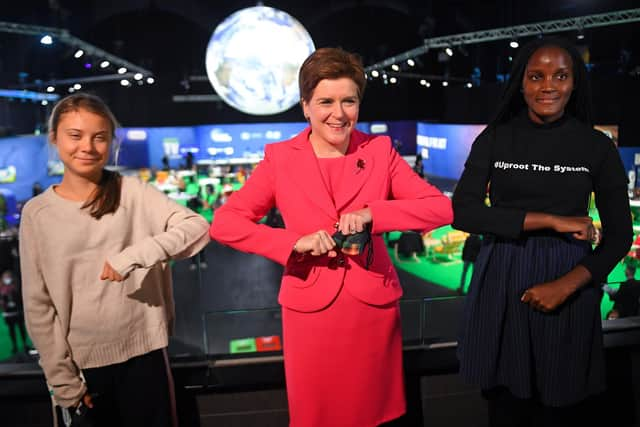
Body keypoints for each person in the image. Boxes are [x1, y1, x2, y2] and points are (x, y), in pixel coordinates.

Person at [209, 47, 453, 427]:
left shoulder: (380, 151)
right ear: (306, 105)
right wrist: (292, 243)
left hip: (370, 310)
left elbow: (440, 207)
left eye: (348, 101)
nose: (338, 114)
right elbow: (225, 224)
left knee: (376, 415)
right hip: (311, 313)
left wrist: (376, 215)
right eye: (325, 101)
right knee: (318, 416)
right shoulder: (280, 159)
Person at [452, 37, 633, 426]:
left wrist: (567, 285)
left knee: (563, 406)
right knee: (505, 407)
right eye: (536, 76)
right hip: (501, 276)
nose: (547, 85)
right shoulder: (495, 137)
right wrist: (551, 220)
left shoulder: (596, 147)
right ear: (522, 83)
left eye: (560, 76)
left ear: (573, 84)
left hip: (568, 283)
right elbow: (464, 212)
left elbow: (620, 236)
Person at [19, 93, 210, 427]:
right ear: (54, 139)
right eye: (75, 135)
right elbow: (38, 305)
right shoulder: (38, 213)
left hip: (145, 358)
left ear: (111, 141)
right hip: (81, 369)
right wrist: (64, 382)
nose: (88, 147)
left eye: (99, 137)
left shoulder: (132, 192)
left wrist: (135, 256)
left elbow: (197, 228)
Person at [0, 269, 28, 354]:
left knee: (21, 328)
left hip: (17, 311)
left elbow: (20, 298)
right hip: (8, 313)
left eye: (9, 277)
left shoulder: (16, 287)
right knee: (11, 330)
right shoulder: (1, 289)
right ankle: (14, 346)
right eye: (5, 277)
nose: (7, 279)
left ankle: (25, 344)